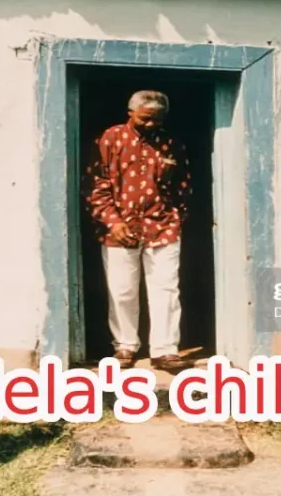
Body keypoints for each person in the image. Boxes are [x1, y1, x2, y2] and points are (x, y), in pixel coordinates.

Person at [86, 90, 193, 372]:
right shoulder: (110, 139)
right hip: (119, 227)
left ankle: (164, 350)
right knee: (122, 291)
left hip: (162, 225)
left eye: (156, 120)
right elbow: (96, 185)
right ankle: (125, 345)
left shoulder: (172, 144)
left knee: (166, 289)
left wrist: (177, 218)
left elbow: (183, 187)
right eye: (145, 119)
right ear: (130, 112)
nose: (150, 124)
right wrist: (112, 221)